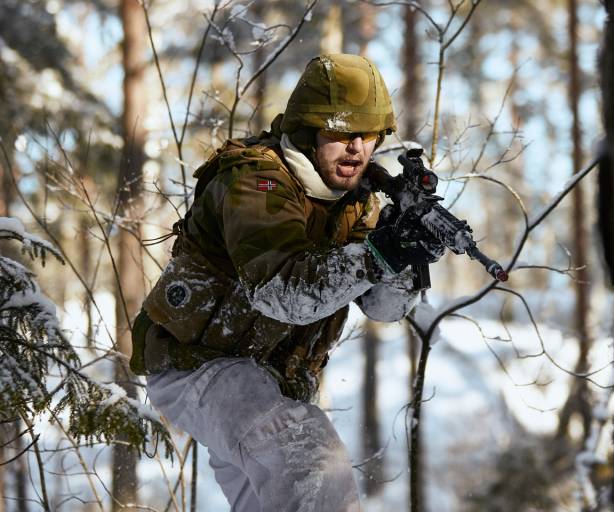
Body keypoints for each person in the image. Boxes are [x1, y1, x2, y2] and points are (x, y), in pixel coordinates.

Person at [129, 53, 443, 511]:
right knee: (311, 461)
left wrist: (409, 260)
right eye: (340, 132)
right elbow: (281, 292)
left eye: (368, 135)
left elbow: (381, 309)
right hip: (200, 366)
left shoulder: (353, 202)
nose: (356, 147)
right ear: (307, 129)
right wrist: (379, 255)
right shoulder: (257, 182)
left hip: (269, 382)